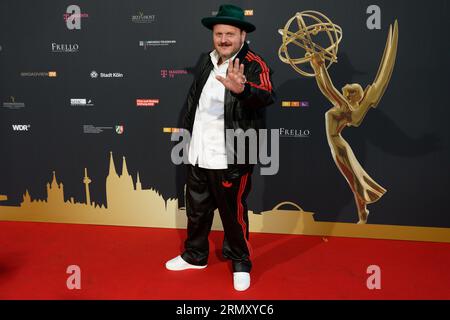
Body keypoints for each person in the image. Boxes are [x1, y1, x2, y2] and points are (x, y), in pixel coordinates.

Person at [165, 4, 275, 291]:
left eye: (229, 34)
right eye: (218, 34)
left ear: (241, 35)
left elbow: (266, 95)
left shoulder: (253, 64)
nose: (223, 39)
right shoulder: (207, 61)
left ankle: (241, 262)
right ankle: (195, 255)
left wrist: (244, 90)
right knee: (197, 210)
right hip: (199, 151)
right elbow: (195, 104)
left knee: (232, 214)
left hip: (233, 154)